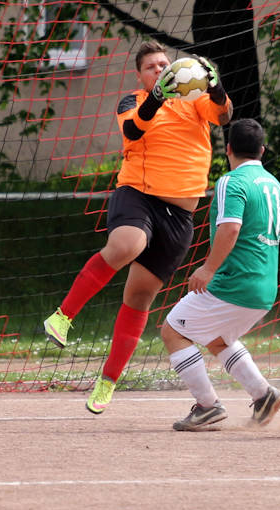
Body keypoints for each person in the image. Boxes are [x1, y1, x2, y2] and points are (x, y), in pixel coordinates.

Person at [42, 41, 232, 414]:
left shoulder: (195, 103)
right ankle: (62, 316)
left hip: (179, 214)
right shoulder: (132, 101)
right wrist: (157, 96)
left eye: (164, 64)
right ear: (141, 75)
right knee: (128, 244)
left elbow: (224, 116)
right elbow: (133, 132)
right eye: (151, 67)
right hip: (139, 195)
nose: (160, 69)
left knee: (141, 297)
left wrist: (215, 84)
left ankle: (107, 381)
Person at [159, 118, 280, 431]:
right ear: (262, 149)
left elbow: (231, 228)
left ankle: (207, 406)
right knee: (217, 339)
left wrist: (209, 268)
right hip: (265, 285)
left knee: (173, 330)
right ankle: (263, 395)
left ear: (228, 149)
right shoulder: (274, 184)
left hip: (235, 283)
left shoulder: (231, 181)